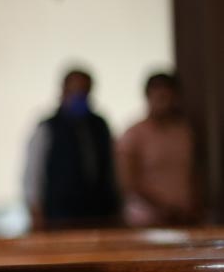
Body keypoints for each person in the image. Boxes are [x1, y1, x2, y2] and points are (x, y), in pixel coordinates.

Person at [23, 67, 119, 230]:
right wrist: (35, 212)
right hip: (59, 216)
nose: (80, 97)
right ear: (63, 91)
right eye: (75, 91)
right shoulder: (48, 127)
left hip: (98, 214)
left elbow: (112, 168)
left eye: (84, 92)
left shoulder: (99, 125)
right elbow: (33, 173)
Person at [115, 71, 200, 227]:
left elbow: (192, 172)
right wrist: (163, 208)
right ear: (148, 97)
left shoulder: (183, 131)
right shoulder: (134, 133)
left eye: (169, 98)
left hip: (185, 217)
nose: (164, 103)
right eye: (160, 97)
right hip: (147, 219)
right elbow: (128, 182)